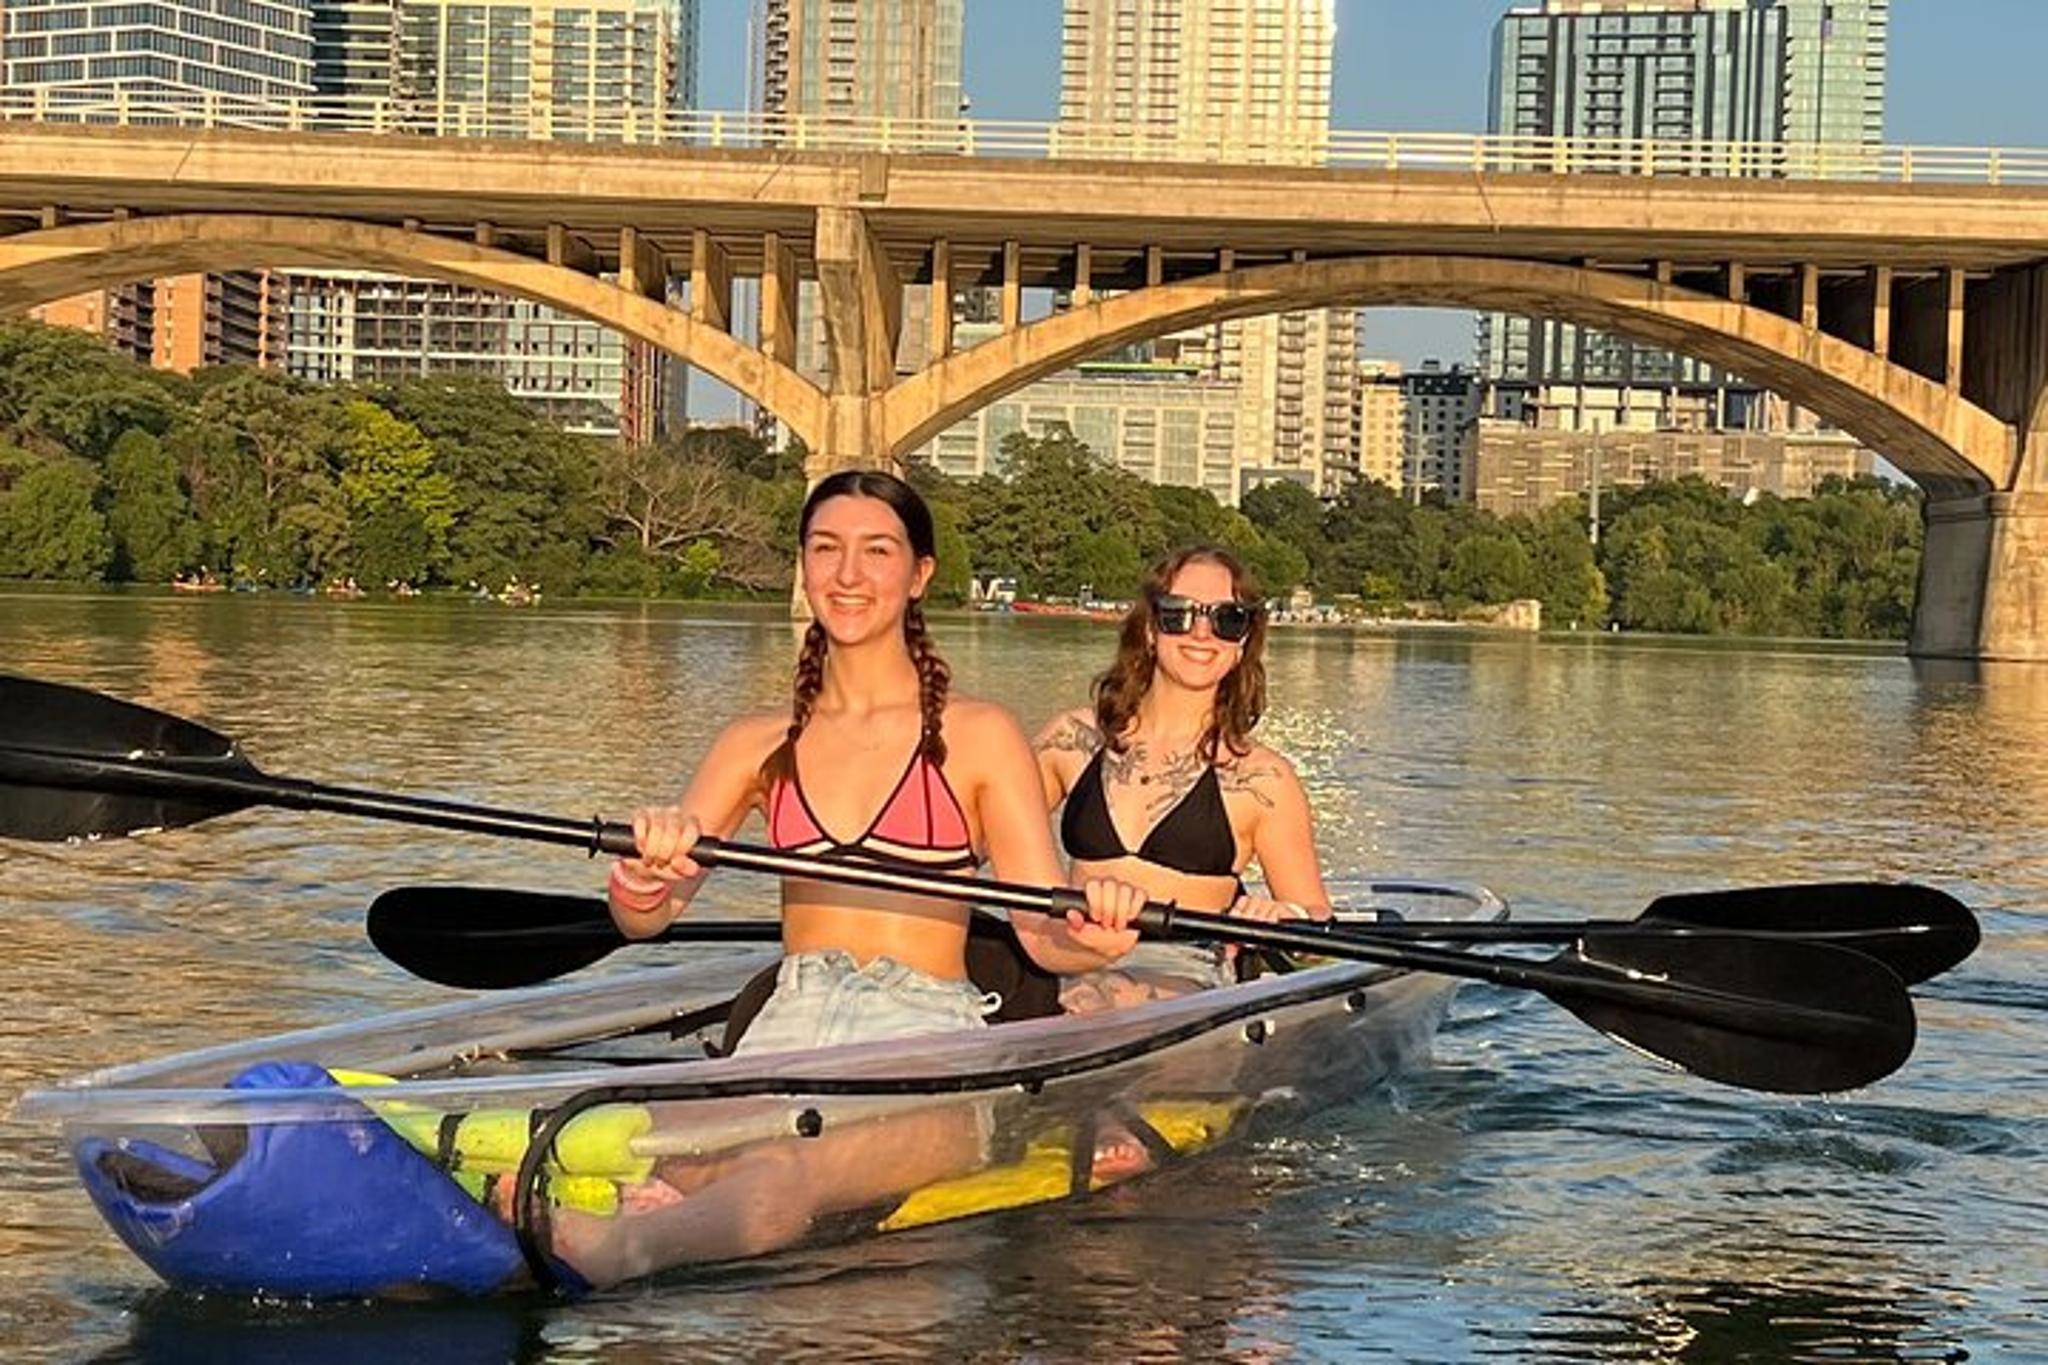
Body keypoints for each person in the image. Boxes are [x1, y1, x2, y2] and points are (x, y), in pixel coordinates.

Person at [537, 469, 1146, 1285]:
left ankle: (606, 1252)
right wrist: (641, 876)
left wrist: (1097, 937)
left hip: (925, 1046)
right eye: (826, 549)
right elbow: (646, 915)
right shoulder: (755, 742)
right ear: (802, 564)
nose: (848, 575)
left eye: (876, 551)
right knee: (612, 1130)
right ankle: (557, 1217)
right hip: (785, 1027)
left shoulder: (979, 735)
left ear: (920, 573)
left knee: (783, 1174)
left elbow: (1042, 932)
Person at [1035, 544, 1335, 1015]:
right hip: (1067, 955)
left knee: (1116, 1004)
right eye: (1179, 614)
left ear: (1241, 645)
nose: (1201, 633)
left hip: (1185, 973)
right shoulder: (1070, 739)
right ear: (1151, 630)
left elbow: (1316, 920)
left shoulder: (1263, 779)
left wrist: (1287, 918)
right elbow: (977, 834)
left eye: (1227, 619)